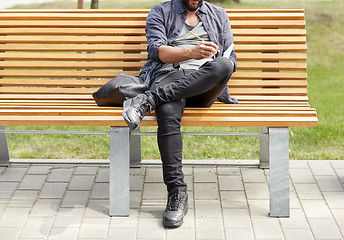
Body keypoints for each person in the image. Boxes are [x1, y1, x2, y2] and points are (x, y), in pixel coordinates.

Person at [122, 0, 237, 228]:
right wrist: (190, 52)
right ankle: (177, 193)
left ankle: (149, 100)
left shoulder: (219, 15)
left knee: (223, 65)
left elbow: (230, 58)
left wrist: (208, 59)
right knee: (167, 111)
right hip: (170, 76)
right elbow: (158, 52)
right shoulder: (160, 11)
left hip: (205, 83)